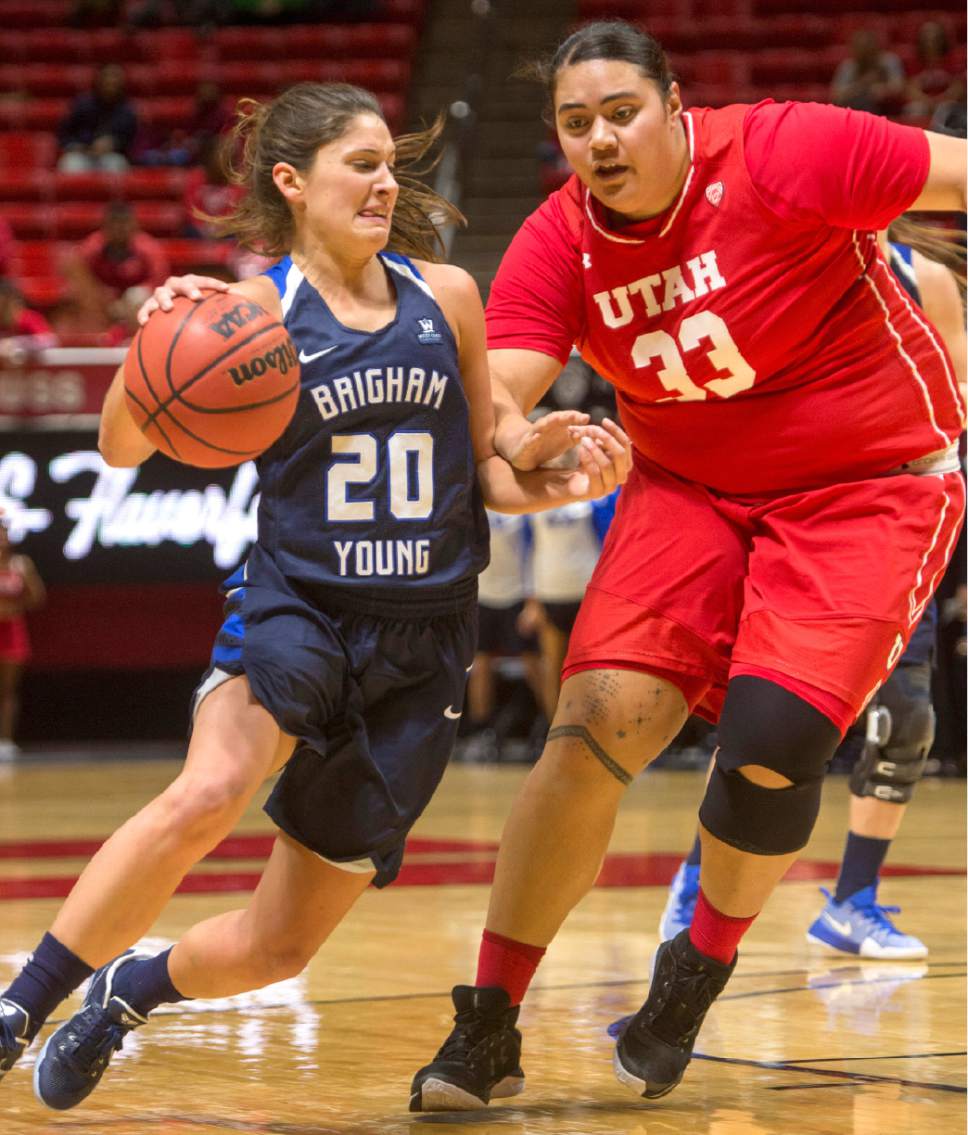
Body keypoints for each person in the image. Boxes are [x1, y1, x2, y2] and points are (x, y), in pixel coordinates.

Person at [0, 80, 629, 1109]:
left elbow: (492, 464)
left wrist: (562, 471)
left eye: (391, 163)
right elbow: (121, 442)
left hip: (424, 638)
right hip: (301, 605)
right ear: (291, 181)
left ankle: (126, 991)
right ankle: (20, 1004)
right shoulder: (253, 311)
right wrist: (152, 342)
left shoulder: (446, 298)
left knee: (279, 947)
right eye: (362, 163)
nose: (387, 182)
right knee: (207, 792)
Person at [409, 20, 966, 1112]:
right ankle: (486, 1019)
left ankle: (690, 975)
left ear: (674, 107)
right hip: (685, 489)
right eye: (575, 124)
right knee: (591, 723)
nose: (599, 139)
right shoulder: (558, 238)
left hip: (865, 482)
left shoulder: (785, 150)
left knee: (770, 741)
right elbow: (508, 392)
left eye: (619, 112)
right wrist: (526, 441)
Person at [659, 227, 967, 961]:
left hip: (893, 512)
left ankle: (852, 900)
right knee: (768, 719)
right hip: (794, 516)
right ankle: (699, 878)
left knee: (908, 712)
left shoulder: (923, 273)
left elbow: (952, 402)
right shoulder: (766, 259)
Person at [519, 487, 618, 721]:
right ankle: (554, 730)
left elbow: (609, 543)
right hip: (550, 592)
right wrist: (531, 601)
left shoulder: (595, 497)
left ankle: (595, 728)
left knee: (592, 667)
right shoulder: (535, 500)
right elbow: (528, 550)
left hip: (588, 592)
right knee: (553, 667)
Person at [462, 508, 542, 763]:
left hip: (518, 594)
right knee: (480, 664)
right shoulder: (473, 507)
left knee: (534, 665)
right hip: (483, 595)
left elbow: (535, 551)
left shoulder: (525, 508)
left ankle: (554, 724)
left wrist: (533, 601)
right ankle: (482, 731)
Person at [64, 201, 171, 332]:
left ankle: (137, 340)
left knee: (136, 296)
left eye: (124, 224)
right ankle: (98, 343)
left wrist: (127, 301)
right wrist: (97, 293)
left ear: (134, 226)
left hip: (136, 305)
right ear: (105, 227)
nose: (119, 229)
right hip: (103, 302)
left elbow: (158, 282)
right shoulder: (92, 247)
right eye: (114, 224)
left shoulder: (148, 249)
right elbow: (75, 272)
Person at [0, 517, 45, 760]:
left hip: (12, 632)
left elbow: (37, 597)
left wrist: (15, 607)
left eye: (4, 534)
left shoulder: (20, 564)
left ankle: (5, 741)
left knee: (8, 690)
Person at [57, 64, 139, 173]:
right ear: (99, 81)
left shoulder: (127, 111)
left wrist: (114, 144)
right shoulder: (82, 105)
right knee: (70, 164)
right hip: (82, 154)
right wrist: (78, 146)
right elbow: (64, 134)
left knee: (117, 165)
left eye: (115, 79)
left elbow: (132, 142)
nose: (111, 82)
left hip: (111, 156)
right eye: (107, 78)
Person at [830, 29, 906, 117]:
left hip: (886, 108)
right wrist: (861, 85)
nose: (865, 53)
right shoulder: (848, 67)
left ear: (875, 47)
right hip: (855, 108)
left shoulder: (889, 61)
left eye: (867, 48)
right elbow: (837, 96)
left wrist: (883, 90)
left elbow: (899, 87)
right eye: (860, 49)